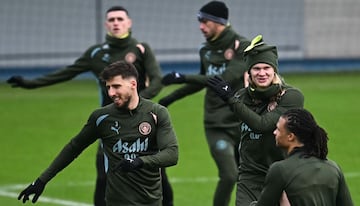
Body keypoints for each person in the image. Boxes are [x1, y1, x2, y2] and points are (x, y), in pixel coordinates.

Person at [6, 6, 174, 206]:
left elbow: (157, 80)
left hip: (143, 119)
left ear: (129, 23)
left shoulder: (141, 49)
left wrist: (139, 104)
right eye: (111, 20)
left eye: (120, 19)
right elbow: (67, 72)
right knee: (104, 176)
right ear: (106, 24)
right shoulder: (96, 55)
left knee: (158, 175)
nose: (116, 23)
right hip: (110, 124)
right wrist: (29, 83)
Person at [17, 60, 179, 206]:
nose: (111, 93)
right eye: (108, 87)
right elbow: (74, 147)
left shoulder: (157, 113)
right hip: (117, 202)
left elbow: (172, 154)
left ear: (133, 84)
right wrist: (41, 181)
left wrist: (139, 161)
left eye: (116, 86)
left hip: (151, 201)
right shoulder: (102, 118)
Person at [158, 1, 251, 205]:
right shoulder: (205, 50)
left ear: (219, 22)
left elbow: (223, 80)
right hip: (217, 124)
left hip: (244, 122)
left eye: (205, 22)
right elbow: (203, 81)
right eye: (200, 21)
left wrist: (183, 77)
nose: (201, 26)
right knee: (229, 175)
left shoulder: (241, 46)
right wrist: (170, 98)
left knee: (252, 177)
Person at [207, 35, 305, 206]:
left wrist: (231, 99)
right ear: (249, 72)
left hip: (284, 174)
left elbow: (263, 125)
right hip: (249, 176)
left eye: (266, 68)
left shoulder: (291, 97)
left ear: (274, 70)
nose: (262, 73)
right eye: (256, 68)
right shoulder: (241, 97)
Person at [249, 108, 354, 205]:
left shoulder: (280, 170)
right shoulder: (334, 168)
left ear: (290, 137)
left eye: (278, 129)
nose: (274, 132)